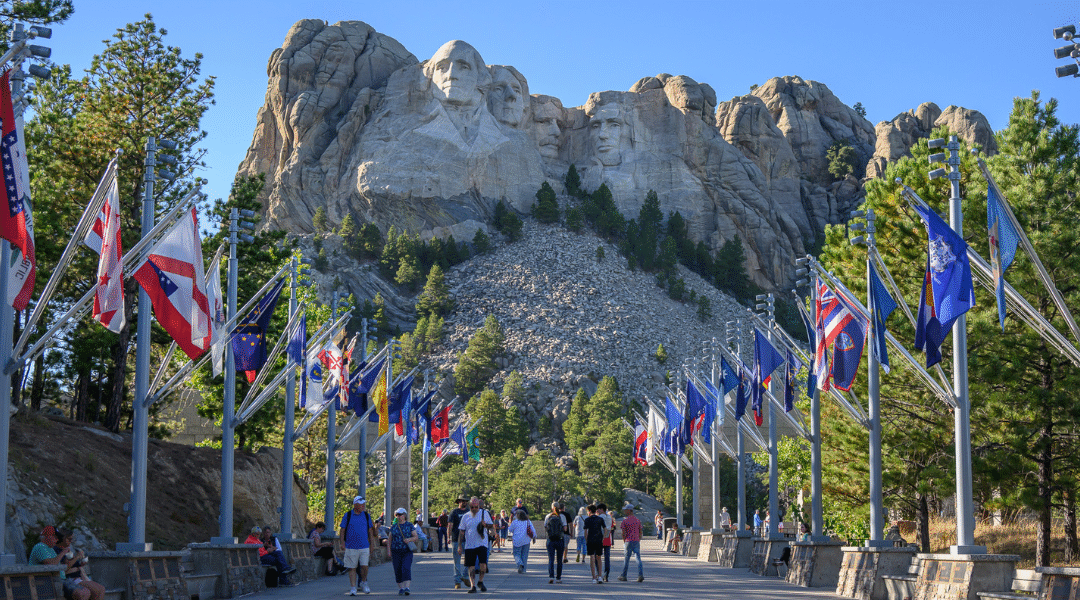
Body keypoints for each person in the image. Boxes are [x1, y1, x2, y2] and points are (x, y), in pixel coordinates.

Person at [36, 527, 105, 600]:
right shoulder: (56, 550)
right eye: (69, 539)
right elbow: (63, 569)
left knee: (100, 589)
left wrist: (80, 564)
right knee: (92, 591)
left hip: (77, 578)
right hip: (70, 579)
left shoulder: (67, 550)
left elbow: (71, 564)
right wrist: (77, 558)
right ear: (62, 538)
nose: (71, 541)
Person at [339, 496, 377, 595]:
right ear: (355, 505)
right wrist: (342, 543)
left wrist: (372, 545)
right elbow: (342, 530)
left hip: (364, 546)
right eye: (361, 504)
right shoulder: (348, 515)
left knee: (365, 566)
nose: (363, 506)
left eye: (363, 504)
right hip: (351, 546)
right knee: (352, 568)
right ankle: (353, 588)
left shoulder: (366, 515)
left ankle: (364, 582)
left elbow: (370, 532)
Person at [458, 496, 493, 593]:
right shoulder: (466, 516)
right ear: (470, 506)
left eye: (476, 507)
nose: (474, 509)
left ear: (479, 506)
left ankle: (480, 581)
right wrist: (459, 546)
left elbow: (491, 525)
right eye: (472, 507)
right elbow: (461, 532)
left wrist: (486, 525)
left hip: (482, 543)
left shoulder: (484, 513)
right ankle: (473, 586)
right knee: (471, 566)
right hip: (469, 545)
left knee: (483, 565)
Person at [387, 507, 419, 596]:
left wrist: (409, 539)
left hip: (407, 550)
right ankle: (401, 588)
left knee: (406, 567)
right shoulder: (393, 527)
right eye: (397, 515)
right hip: (396, 551)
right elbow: (390, 540)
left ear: (404, 515)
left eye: (401, 515)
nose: (399, 516)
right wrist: (388, 551)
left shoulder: (409, 525)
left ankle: (407, 588)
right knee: (397, 569)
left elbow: (416, 537)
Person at [617, 503, 644, 582]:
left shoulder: (625, 521)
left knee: (626, 559)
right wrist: (639, 539)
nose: (624, 511)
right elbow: (640, 531)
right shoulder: (637, 520)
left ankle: (624, 575)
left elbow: (623, 533)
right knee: (638, 558)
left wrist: (624, 541)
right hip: (636, 541)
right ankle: (640, 575)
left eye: (625, 510)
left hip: (628, 541)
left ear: (629, 510)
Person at [582, 505, 607, 584]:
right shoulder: (600, 519)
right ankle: (600, 576)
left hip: (590, 540)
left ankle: (593, 577)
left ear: (589, 511)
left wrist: (586, 540)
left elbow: (586, 532)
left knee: (592, 558)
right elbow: (605, 529)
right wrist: (602, 538)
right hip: (599, 539)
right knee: (599, 558)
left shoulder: (587, 520)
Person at [448, 495, 469, 589]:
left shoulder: (469, 512)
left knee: (469, 560)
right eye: (462, 501)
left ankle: (464, 576)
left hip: (468, 539)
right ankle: (457, 581)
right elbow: (450, 525)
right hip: (456, 539)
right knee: (457, 561)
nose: (464, 502)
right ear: (459, 502)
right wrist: (448, 537)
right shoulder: (454, 512)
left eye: (465, 501)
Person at [543, 502, 566, 584]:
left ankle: (551, 576)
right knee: (559, 559)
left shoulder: (548, 516)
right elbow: (565, 528)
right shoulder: (562, 516)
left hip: (550, 540)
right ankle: (558, 578)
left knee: (551, 559)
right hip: (560, 539)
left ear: (552, 508)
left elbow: (545, 527)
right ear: (559, 507)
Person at [507, 509, 535, 573]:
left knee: (516, 553)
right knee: (524, 555)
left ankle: (519, 563)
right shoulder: (528, 521)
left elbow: (510, 530)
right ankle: (524, 570)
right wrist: (534, 537)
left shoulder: (515, 522)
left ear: (518, 515)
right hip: (526, 540)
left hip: (517, 540)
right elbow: (533, 530)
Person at [597, 503, 612, 582]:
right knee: (607, 558)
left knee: (598, 557)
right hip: (607, 538)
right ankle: (606, 574)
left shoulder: (599, 517)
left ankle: (598, 573)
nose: (597, 511)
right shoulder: (609, 517)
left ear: (601, 509)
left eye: (598, 509)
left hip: (600, 538)